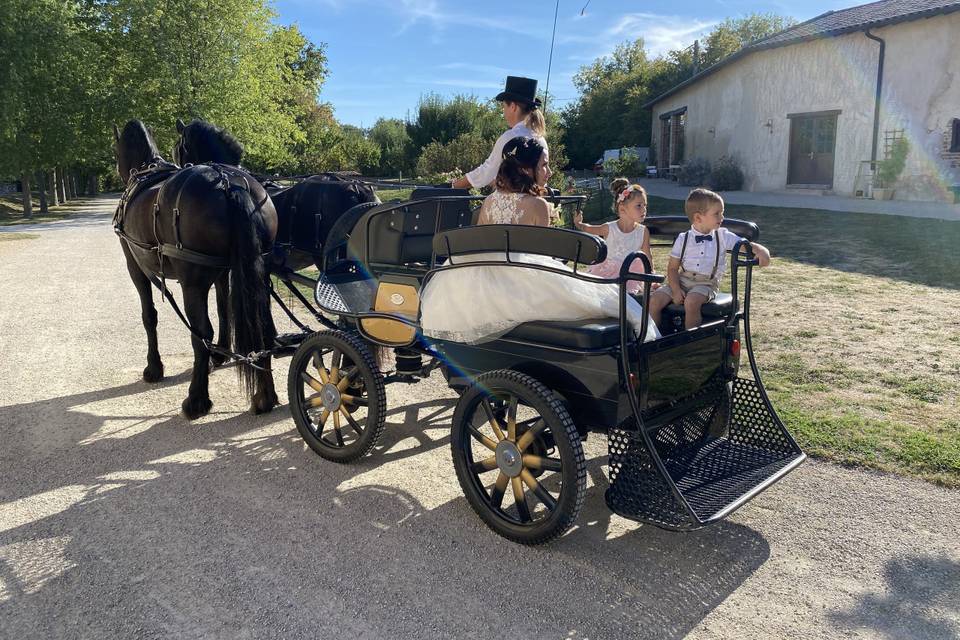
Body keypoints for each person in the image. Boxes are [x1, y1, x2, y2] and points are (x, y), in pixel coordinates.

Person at [420, 136, 659, 344]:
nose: (549, 171)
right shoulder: (537, 205)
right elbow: (541, 258)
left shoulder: (489, 201)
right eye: (544, 165)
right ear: (526, 170)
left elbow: (485, 240)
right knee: (608, 299)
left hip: (488, 275)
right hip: (522, 277)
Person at [649, 188, 771, 330]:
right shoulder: (683, 239)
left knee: (691, 302)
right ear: (698, 218)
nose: (722, 217)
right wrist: (675, 289)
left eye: (722, 213)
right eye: (717, 214)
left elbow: (745, 245)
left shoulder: (722, 236)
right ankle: (652, 340)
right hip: (682, 281)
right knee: (654, 300)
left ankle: (692, 341)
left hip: (706, 284)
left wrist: (762, 251)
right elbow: (672, 268)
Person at [451, 76, 547, 190]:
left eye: (504, 106)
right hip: (536, 198)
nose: (503, 112)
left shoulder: (510, 137)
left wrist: (454, 185)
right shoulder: (540, 137)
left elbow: (486, 171)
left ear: (513, 106)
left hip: (515, 201)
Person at [572, 178, 652, 295]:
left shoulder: (643, 231)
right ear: (622, 209)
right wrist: (578, 223)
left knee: (627, 294)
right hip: (608, 272)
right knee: (601, 292)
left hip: (630, 274)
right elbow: (589, 229)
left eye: (645, 205)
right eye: (639, 206)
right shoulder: (610, 228)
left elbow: (648, 256)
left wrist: (651, 276)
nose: (644, 209)